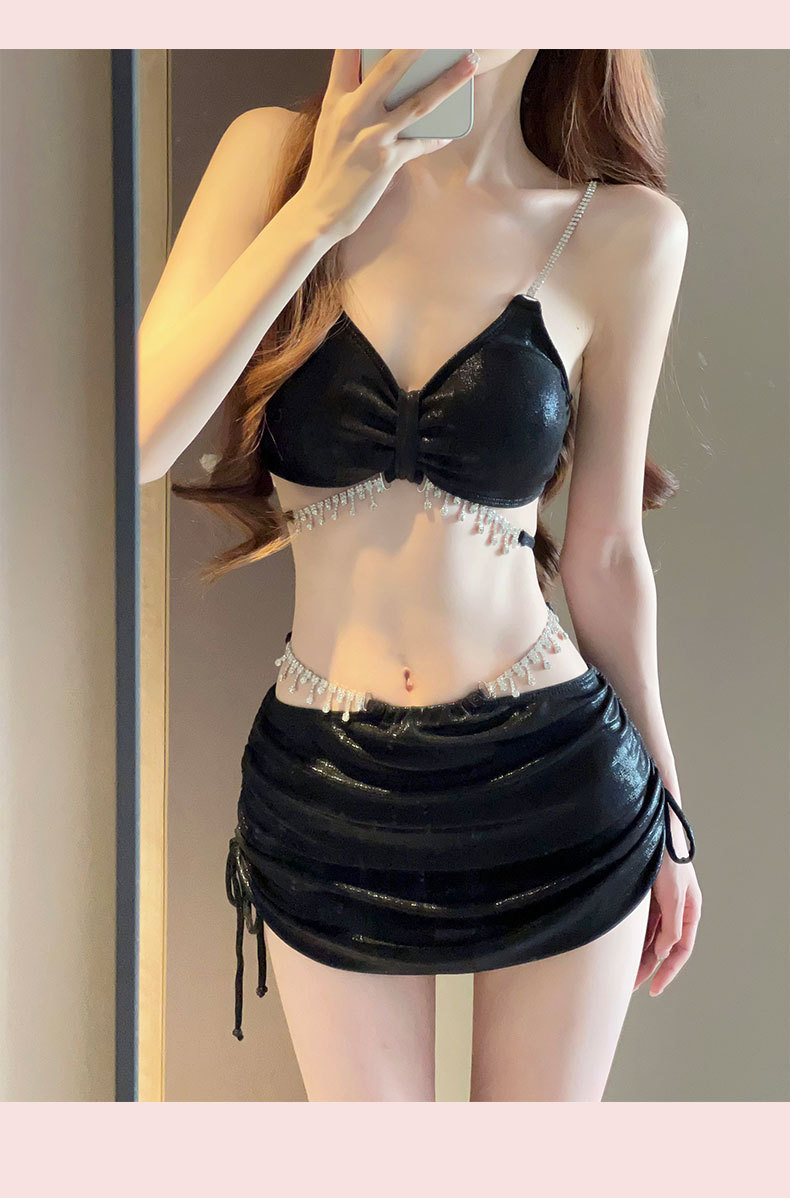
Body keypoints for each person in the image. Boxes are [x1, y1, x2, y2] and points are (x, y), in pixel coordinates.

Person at [139, 48, 702, 1102]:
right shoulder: (271, 159)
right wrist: (319, 211)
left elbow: (607, 552)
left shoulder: (623, 231)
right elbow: (136, 439)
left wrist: (667, 810)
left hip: (559, 782)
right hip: (323, 783)